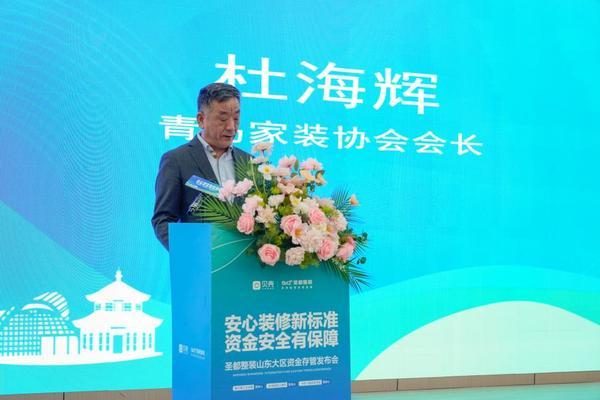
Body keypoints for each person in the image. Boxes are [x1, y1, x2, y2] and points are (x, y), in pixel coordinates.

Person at [152, 83, 250, 249]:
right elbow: (163, 220)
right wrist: (190, 254)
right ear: (201, 119)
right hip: (199, 260)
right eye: (223, 119)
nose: (231, 127)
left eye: (236, 118)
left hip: (244, 262)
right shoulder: (176, 160)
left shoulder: (249, 162)